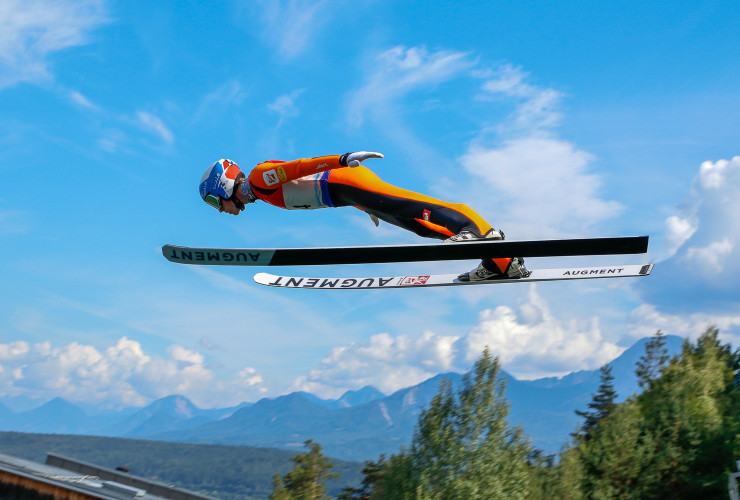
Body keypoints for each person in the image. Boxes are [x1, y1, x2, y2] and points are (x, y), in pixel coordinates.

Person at [198, 152, 529, 281]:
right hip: (349, 194)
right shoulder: (261, 194)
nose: (221, 210)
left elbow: (298, 168)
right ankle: (500, 263)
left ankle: (483, 238)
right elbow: (309, 186)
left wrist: (341, 159)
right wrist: (365, 208)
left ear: (223, 187)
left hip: (348, 181)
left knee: (418, 208)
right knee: (422, 225)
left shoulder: (258, 179)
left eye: (216, 203)